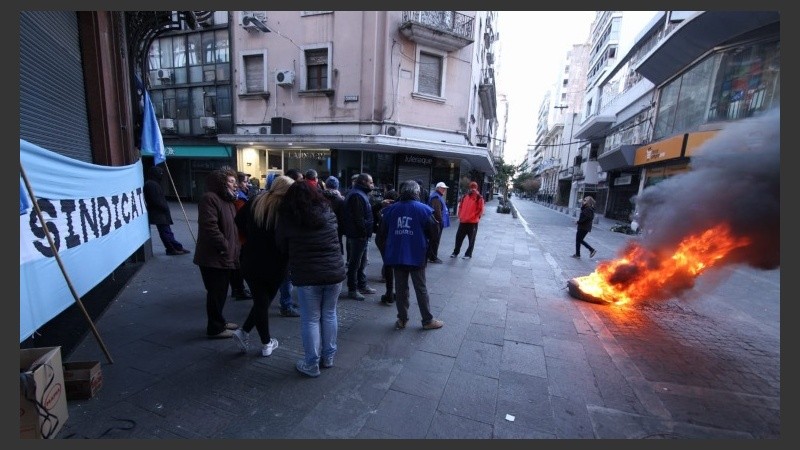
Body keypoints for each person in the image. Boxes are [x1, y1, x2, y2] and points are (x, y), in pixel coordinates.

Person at [276, 181, 346, 378]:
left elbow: (281, 245)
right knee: (330, 314)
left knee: (311, 319)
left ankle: (311, 363)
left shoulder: (288, 217)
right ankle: (329, 357)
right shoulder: (328, 211)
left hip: (307, 275)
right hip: (333, 273)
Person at [231, 175, 295, 356]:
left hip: (250, 260)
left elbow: (238, 222)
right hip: (276, 263)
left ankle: (243, 332)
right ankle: (266, 343)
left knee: (261, 301)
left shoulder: (255, 201)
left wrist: (249, 238)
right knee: (263, 302)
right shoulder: (285, 208)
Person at [376, 180, 444, 331]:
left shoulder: (391, 210)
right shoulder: (424, 210)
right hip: (417, 255)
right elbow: (434, 232)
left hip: (397, 256)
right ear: (417, 192)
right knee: (421, 288)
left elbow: (381, 234)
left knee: (400, 289)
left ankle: (402, 319)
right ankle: (427, 320)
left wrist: (387, 250)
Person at [193, 169, 241, 339]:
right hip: (214, 256)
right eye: (230, 181)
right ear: (221, 183)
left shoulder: (227, 200)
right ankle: (215, 328)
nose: (235, 184)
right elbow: (210, 227)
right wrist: (226, 246)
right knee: (215, 292)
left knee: (221, 291)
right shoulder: (210, 198)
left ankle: (220, 321)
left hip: (224, 255)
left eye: (234, 181)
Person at [342, 173, 377, 300]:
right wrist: (363, 233)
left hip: (360, 235)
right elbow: (358, 218)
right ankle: (353, 289)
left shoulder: (359, 194)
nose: (372, 184)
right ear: (363, 182)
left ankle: (362, 285)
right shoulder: (357, 195)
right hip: (358, 235)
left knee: (361, 262)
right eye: (370, 182)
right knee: (355, 263)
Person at [142, 166, 190, 256]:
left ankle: (177, 247)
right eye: (160, 173)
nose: (161, 175)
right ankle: (171, 249)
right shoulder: (151, 185)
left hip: (161, 212)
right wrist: (163, 207)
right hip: (159, 213)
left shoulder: (154, 184)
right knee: (165, 232)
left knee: (167, 231)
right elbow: (155, 200)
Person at [230, 172, 253, 300]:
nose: (247, 184)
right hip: (241, 237)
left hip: (239, 236)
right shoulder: (239, 198)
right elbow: (242, 218)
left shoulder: (240, 196)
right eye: (245, 181)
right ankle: (239, 289)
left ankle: (237, 288)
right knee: (239, 265)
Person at [450, 181, 485, 260]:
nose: (472, 189)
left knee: (471, 240)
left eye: (474, 187)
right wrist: (460, 216)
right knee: (458, 238)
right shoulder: (465, 196)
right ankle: (456, 252)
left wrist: (474, 217)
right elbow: (461, 206)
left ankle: (468, 254)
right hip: (463, 221)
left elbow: (480, 209)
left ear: (476, 188)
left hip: (472, 222)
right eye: (471, 187)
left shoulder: (479, 197)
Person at [377, 187, 398, 305]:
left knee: (388, 265)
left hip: (381, 239)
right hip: (389, 240)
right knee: (391, 266)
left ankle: (389, 292)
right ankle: (390, 293)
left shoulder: (382, 210)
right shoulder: (394, 210)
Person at [322, 175, 346, 255]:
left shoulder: (319, 196)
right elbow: (343, 217)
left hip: (322, 225)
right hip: (336, 228)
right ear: (337, 186)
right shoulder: (340, 200)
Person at [427, 181, 450, 263]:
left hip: (436, 222)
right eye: (443, 188)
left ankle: (431, 256)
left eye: (445, 189)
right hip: (436, 222)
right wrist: (440, 222)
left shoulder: (437, 196)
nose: (444, 190)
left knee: (434, 240)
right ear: (438, 188)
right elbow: (437, 211)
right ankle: (433, 257)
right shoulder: (436, 197)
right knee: (435, 240)